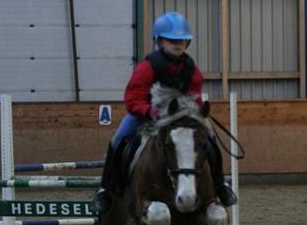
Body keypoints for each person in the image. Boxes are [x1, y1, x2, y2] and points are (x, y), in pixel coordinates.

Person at [93, 11, 237, 214]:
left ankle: (221, 185)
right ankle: (106, 189)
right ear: (159, 40)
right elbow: (132, 99)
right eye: (171, 40)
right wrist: (150, 111)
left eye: (181, 40)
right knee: (118, 139)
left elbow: (193, 97)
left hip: (180, 118)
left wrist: (196, 112)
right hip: (146, 114)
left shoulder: (192, 70)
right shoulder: (146, 68)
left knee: (210, 138)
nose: (177, 44)